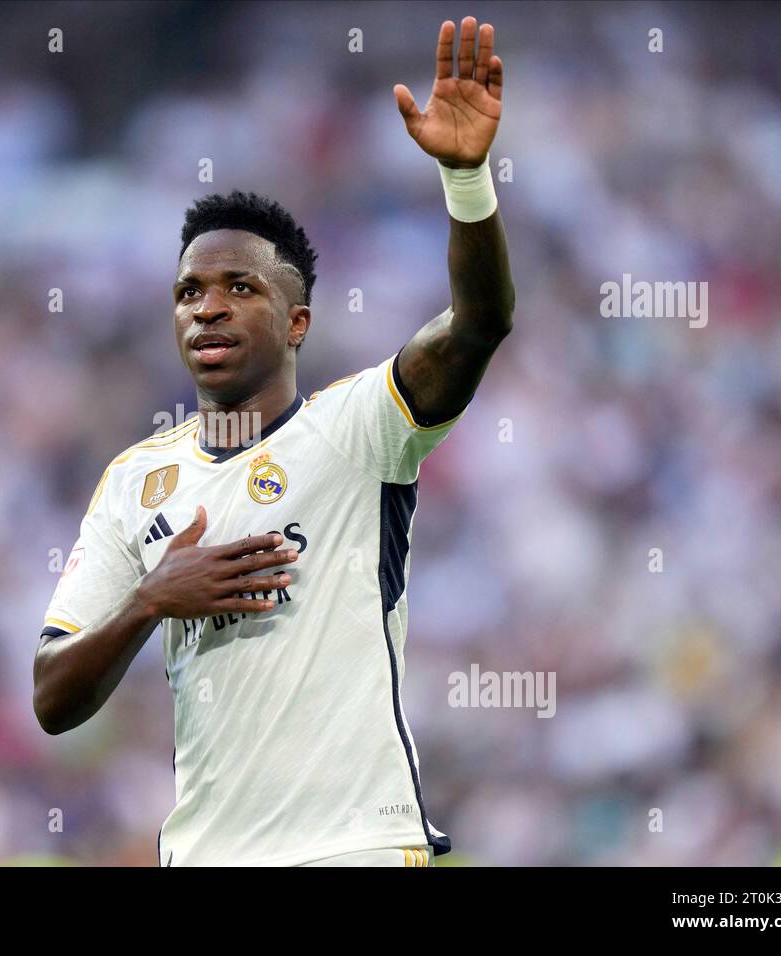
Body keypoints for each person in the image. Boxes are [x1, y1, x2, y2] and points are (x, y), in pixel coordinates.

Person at [34, 16, 514, 866]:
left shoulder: (359, 430)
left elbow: (479, 324)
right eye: (188, 291)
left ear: (297, 321)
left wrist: (466, 179)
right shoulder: (135, 481)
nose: (205, 307)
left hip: (355, 847)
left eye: (237, 287)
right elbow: (53, 696)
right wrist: (151, 598)